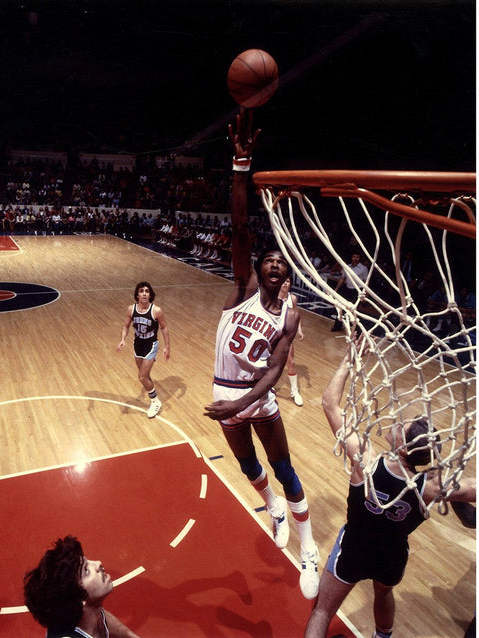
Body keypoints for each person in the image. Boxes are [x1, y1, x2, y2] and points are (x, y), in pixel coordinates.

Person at [203, 110, 319, 600]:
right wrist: (240, 166)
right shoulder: (242, 289)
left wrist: (240, 404)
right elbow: (239, 224)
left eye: (278, 262)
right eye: (266, 259)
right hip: (225, 393)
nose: (270, 263)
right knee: (249, 466)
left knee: (285, 466)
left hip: (256, 398)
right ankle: (272, 507)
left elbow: (274, 370)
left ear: (285, 275)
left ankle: (308, 547)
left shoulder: (288, 316)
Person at [304, 337, 476, 638]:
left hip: (354, 548)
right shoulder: (431, 486)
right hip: (391, 555)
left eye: (401, 427)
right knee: (383, 594)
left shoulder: (366, 460)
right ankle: (383, 636)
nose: (396, 424)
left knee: (321, 611)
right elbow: (473, 487)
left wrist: (350, 360)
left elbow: (329, 403)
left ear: (402, 448)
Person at [24, 535, 140, 638]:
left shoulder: (89, 612)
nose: (98, 563)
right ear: (79, 600)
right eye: (86, 571)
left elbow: (101, 617)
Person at [117, 281, 170, 418]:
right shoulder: (131, 309)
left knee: (141, 376)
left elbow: (164, 327)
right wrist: (123, 339)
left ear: (150, 294)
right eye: (141, 291)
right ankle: (153, 397)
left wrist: (167, 346)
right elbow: (126, 326)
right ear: (137, 295)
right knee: (145, 376)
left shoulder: (156, 311)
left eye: (147, 291)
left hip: (151, 344)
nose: (144, 293)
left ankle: (155, 401)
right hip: (138, 343)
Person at [278, 276, 304, 406]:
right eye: (284, 280)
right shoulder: (272, 295)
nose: (285, 283)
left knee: (291, 361)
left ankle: (294, 392)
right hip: (271, 333)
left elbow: (295, 314)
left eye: (287, 281)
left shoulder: (292, 298)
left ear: (290, 284)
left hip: (286, 334)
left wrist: (299, 329)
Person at [331, 252, 369, 331]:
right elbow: (342, 278)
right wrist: (336, 289)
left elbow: (366, 282)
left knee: (355, 311)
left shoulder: (364, 269)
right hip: (347, 290)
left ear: (360, 258)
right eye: (354, 256)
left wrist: (366, 295)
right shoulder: (346, 267)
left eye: (357, 257)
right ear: (351, 257)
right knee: (341, 307)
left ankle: (356, 330)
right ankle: (337, 326)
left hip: (357, 292)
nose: (355, 258)